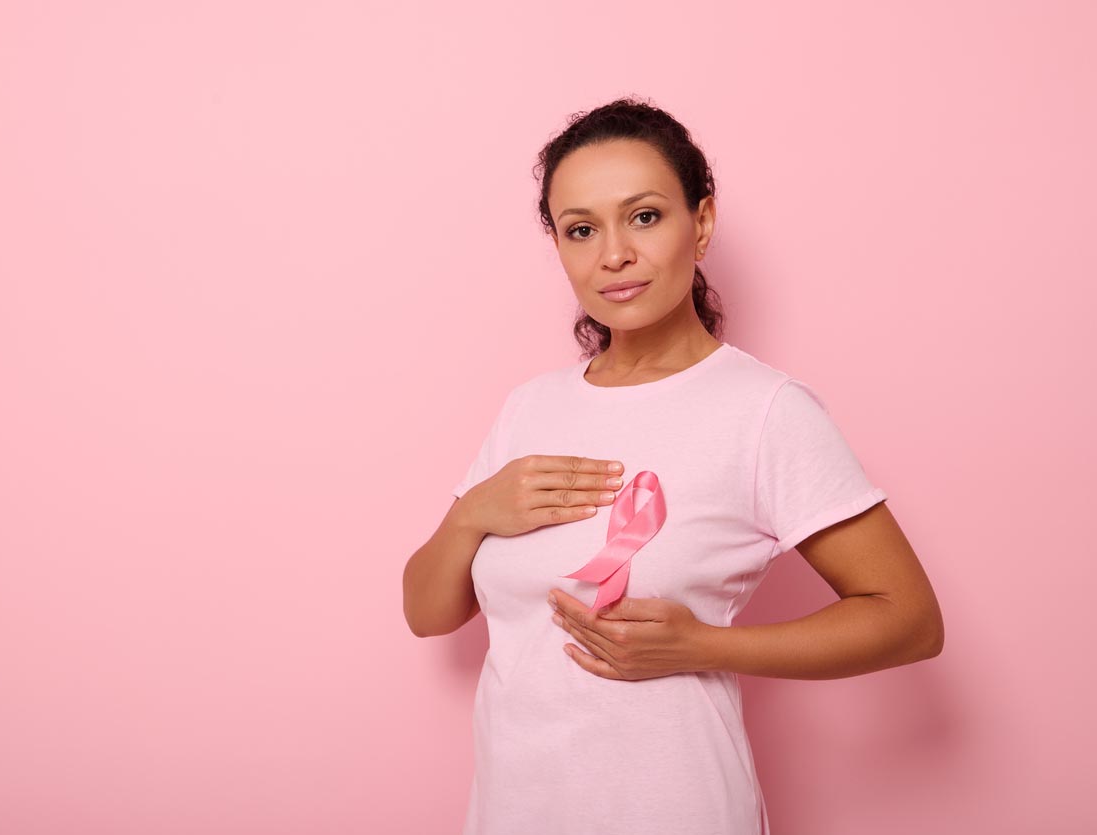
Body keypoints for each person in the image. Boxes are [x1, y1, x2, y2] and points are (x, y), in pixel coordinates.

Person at [401, 96, 944, 835]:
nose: (612, 254)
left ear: (703, 223)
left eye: (645, 216)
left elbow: (908, 620)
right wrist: (471, 512)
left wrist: (703, 646)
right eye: (580, 229)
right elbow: (428, 612)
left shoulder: (763, 411)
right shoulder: (529, 408)